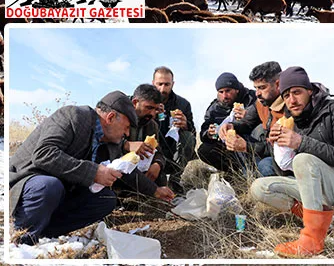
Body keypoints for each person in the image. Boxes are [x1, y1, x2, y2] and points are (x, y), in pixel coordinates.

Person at [250, 66, 334, 258]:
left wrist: (301, 142)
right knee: (258, 187)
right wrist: (278, 148)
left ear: (310, 91)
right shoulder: (292, 120)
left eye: (297, 92)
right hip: (311, 188)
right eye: (287, 95)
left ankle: (312, 241)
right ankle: (319, 219)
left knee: (303, 159)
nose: (292, 100)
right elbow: (285, 169)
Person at [10, 92, 138, 244]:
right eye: (127, 127)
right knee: (49, 186)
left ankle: (45, 232)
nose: (127, 133)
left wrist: (156, 191)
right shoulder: (73, 115)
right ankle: (22, 236)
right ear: (110, 117)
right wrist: (93, 172)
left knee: (107, 199)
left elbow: (128, 172)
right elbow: (43, 154)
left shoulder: (110, 142)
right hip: (29, 185)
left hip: (59, 193)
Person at [220, 61, 284, 178]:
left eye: (262, 88)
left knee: (265, 166)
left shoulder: (291, 105)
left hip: (284, 157)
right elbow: (246, 122)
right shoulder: (261, 103)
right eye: (256, 88)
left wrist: (247, 147)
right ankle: (248, 176)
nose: (258, 93)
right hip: (267, 151)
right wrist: (231, 126)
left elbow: (280, 147)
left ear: (278, 84)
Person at [197, 72, 256, 174]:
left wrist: (249, 116)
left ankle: (253, 170)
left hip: (250, 144)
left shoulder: (252, 98)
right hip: (228, 147)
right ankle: (233, 172)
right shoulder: (214, 108)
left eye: (228, 91)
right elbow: (204, 131)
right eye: (221, 92)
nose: (225, 96)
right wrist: (209, 133)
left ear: (236, 89)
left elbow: (264, 120)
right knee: (204, 150)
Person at [152, 66, 196, 192]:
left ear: (173, 84)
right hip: (150, 151)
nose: (162, 89)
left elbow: (193, 133)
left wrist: (185, 124)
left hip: (172, 152)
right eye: (159, 84)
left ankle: (176, 178)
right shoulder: (144, 101)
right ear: (153, 83)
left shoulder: (183, 104)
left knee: (188, 138)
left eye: (167, 84)